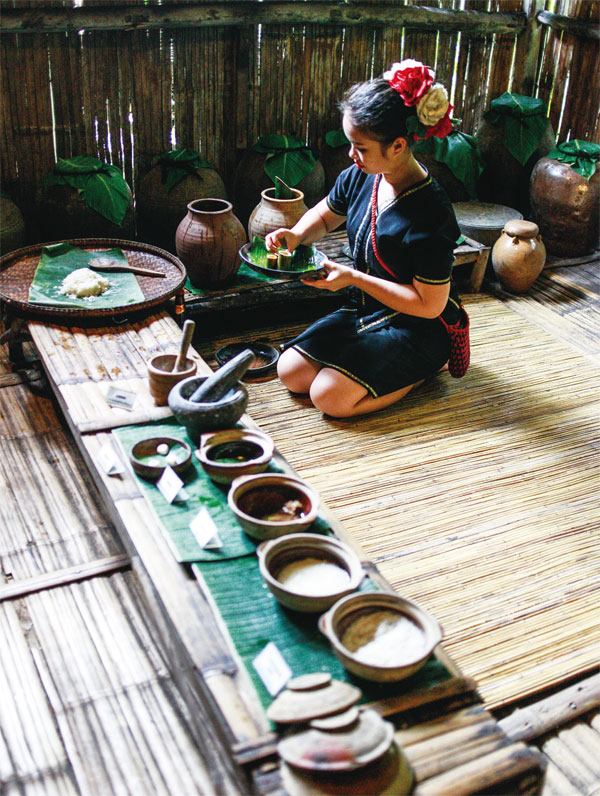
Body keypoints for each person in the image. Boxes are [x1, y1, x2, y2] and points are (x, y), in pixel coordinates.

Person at [265, 59, 463, 418]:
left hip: (418, 326)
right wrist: (295, 235)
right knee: (290, 372)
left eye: (360, 147)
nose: (351, 156)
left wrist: (353, 278)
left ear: (398, 145)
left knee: (329, 398)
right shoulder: (363, 174)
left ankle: (421, 373)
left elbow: (429, 305)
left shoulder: (432, 213)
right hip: (369, 310)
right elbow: (326, 215)